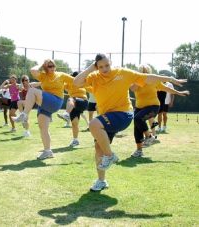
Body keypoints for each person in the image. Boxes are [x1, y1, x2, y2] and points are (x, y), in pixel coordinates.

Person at [73, 54, 187, 192]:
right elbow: (76, 83)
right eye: (101, 66)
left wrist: (170, 78)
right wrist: (92, 67)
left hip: (123, 114)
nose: (104, 69)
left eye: (107, 65)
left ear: (111, 63)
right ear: (97, 66)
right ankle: (101, 181)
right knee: (98, 148)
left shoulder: (123, 73)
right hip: (106, 117)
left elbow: (148, 78)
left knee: (93, 124)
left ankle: (111, 155)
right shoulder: (94, 76)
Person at [12, 59, 74, 160]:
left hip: (56, 101)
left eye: (53, 65)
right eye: (49, 66)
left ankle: (24, 115)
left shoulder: (61, 75)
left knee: (32, 90)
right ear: (45, 67)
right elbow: (32, 70)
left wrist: (91, 83)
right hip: (45, 104)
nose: (52, 68)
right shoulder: (43, 76)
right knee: (43, 128)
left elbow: (75, 80)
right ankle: (47, 151)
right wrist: (42, 63)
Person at [130, 65, 190, 158]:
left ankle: (149, 137)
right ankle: (139, 150)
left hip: (153, 107)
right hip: (139, 108)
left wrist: (179, 93)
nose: (144, 73)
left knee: (138, 118)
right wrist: (140, 79)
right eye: (142, 71)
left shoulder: (154, 81)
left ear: (149, 72)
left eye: (146, 72)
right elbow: (132, 88)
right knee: (137, 126)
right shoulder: (136, 81)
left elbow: (167, 89)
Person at [63, 72, 89, 147]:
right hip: (74, 105)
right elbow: (61, 85)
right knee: (74, 123)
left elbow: (92, 87)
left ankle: (66, 114)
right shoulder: (68, 83)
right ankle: (75, 140)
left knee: (71, 99)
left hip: (83, 102)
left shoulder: (83, 82)